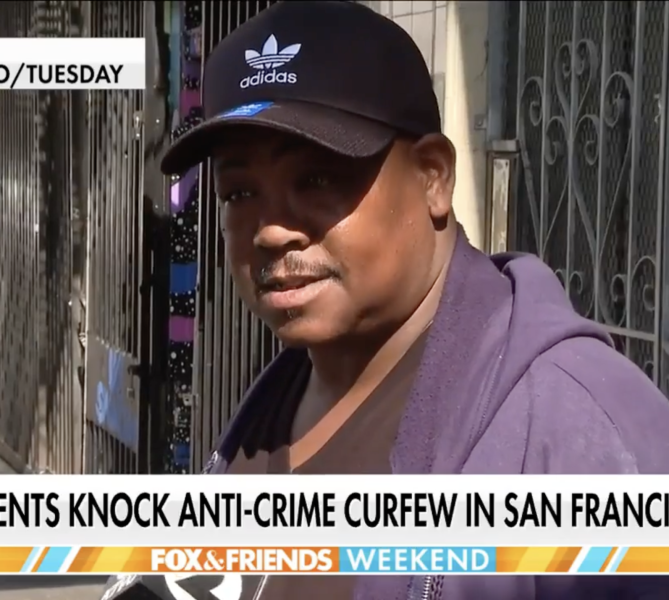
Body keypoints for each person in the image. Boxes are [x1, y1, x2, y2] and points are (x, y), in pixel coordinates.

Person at [137, 2, 669, 599]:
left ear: (433, 177)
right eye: (240, 192)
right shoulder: (274, 403)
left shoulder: (575, 431)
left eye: (316, 179)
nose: (270, 229)